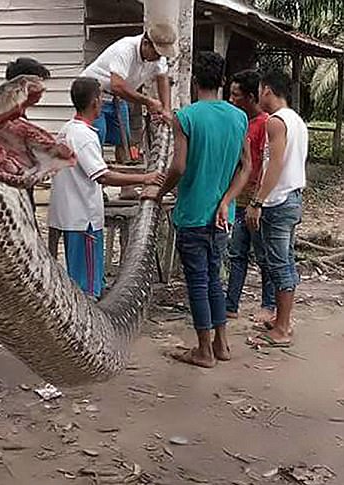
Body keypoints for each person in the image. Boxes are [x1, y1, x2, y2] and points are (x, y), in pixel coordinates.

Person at [142, 51, 252, 368]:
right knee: (215, 279)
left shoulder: (187, 117)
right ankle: (222, 343)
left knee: (198, 281)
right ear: (222, 81)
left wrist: (161, 190)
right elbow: (246, 167)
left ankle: (203, 350)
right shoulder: (238, 117)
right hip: (222, 215)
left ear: (194, 82)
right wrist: (227, 200)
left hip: (192, 213)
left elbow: (178, 165)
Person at [48, 77, 164, 298]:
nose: (103, 103)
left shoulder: (67, 130)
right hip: (84, 218)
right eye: (101, 98)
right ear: (95, 102)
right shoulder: (84, 136)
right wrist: (144, 178)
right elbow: (103, 177)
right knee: (88, 285)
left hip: (69, 214)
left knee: (78, 276)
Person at [246, 70, 308, 347]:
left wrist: (258, 201)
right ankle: (283, 319)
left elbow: (275, 165)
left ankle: (282, 327)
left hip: (279, 200)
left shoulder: (276, 121)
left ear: (267, 90)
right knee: (286, 259)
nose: (258, 95)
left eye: (260, 90)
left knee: (279, 262)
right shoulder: (297, 120)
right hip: (293, 196)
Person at [225, 69, 276, 324]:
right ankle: (231, 304)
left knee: (263, 255)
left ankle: (268, 304)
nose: (232, 99)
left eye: (236, 95)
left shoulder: (266, 124)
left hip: (256, 201)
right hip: (239, 198)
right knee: (237, 253)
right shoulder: (240, 121)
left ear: (249, 97)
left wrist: (257, 201)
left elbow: (266, 164)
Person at [81, 31, 174, 163]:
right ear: (146, 44)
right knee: (96, 138)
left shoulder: (158, 57)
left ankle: (126, 178)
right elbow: (117, 85)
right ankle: (95, 176)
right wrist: (148, 102)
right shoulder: (125, 49)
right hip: (94, 95)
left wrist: (166, 109)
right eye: (157, 53)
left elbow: (162, 78)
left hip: (117, 97)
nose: (159, 58)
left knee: (123, 140)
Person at [5, 57, 51, 218]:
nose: (42, 89)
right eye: (38, 83)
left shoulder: (19, 112)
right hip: (12, 194)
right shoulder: (6, 116)